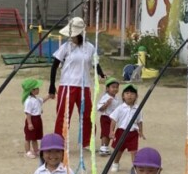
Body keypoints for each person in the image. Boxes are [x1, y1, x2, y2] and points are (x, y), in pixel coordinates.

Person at [48, 17, 105, 148]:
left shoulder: (90, 47)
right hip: (67, 85)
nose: (71, 36)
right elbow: (54, 66)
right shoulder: (65, 47)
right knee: (63, 115)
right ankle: (59, 141)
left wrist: (101, 73)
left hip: (84, 85)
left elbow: (95, 63)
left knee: (87, 115)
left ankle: (87, 142)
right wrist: (51, 85)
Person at [109, 84, 143, 173]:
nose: (129, 95)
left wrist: (141, 131)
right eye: (127, 93)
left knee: (134, 151)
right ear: (123, 96)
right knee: (118, 150)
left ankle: (135, 167)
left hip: (133, 133)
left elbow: (139, 121)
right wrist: (111, 131)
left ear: (136, 96)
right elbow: (114, 120)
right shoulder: (120, 108)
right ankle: (115, 163)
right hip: (121, 132)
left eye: (132, 94)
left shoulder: (138, 109)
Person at [96, 79, 120, 155]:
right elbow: (99, 108)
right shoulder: (106, 97)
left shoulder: (116, 98)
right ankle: (103, 147)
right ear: (107, 89)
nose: (115, 89)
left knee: (110, 132)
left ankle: (105, 147)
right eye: (113, 87)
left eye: (116, 87)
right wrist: (106, 104)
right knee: (105, 132)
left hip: (112, 119)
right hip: (105, 117)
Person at [21, 77, 43, 158]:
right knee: (28, 137)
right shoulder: (29, 101)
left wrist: (49, 96)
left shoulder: (36, 98)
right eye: (37, 88)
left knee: (35, 137)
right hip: (32, 120)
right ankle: (28, 151)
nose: (38, 89)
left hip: (38, 119)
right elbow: (28, 113)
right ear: (32, 90)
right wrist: (29, 123)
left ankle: (36, 150)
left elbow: (42, 100)